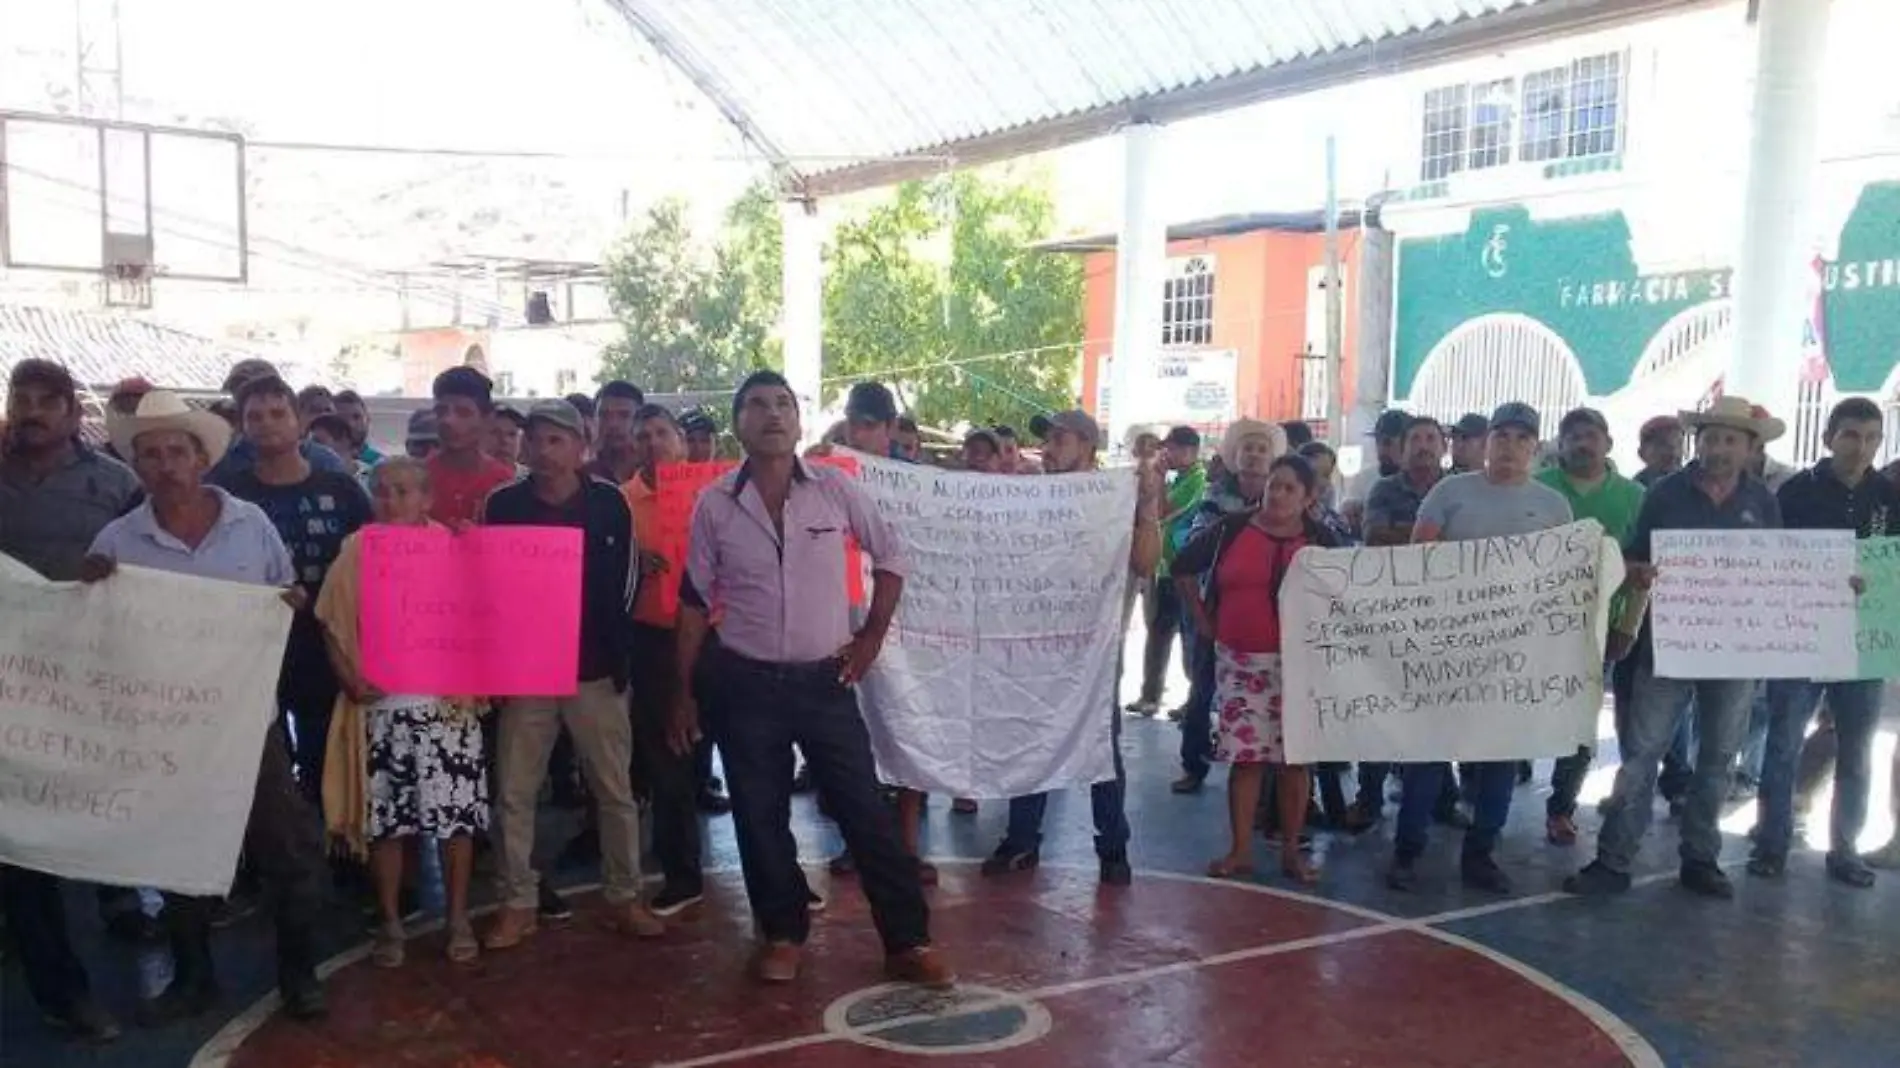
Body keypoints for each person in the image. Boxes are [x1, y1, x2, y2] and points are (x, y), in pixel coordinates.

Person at [668, 370, 953, 988]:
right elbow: (693, 601)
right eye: (756, 405)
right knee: (758, 814)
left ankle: (909, 939)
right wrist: (683, 693)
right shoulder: (714, 503)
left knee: (865, 815)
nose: (772, 414)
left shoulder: (835, 490)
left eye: (783, 405)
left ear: (798, 421)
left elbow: (893, 559)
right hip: (744, 684)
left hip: (825, 683)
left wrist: (872, 636)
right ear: (738, 423)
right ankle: (782, 933)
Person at [85, 390, 329, 1023]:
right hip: (166, 727)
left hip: (250, 722)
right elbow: (96, 630)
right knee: (178, 852)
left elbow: (283, 590)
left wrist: (292, 602)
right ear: (137, 466)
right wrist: (89, 592)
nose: (165, 465)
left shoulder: (251, 524)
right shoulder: (116, 542)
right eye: (151, 455)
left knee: (288, 849)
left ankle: (298, 974)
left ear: (202, 459)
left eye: (177, 452)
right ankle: (195, 977)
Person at [1566, 397, 1787, 900]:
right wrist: (1638, 571)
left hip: (1735, 651)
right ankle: (1613, 860)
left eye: (1730, 440)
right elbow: (1633, 556)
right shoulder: (1664, 493)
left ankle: (1701, 859)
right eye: (1711, 438)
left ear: (1751, 448)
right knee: (1641, 754)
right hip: (1666, 645)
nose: (1719, 448)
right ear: (1698, 442)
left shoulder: (1764, 502)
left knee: (1719, 756)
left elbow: (1777, 571)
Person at [480, 399, 663, 948]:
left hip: (594, 673)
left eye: (557, 440)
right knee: (514, 791)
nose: (544, 450)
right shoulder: (503, 505)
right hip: (527, 673)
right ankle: (517, 902)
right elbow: (487, 588)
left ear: (580, 447)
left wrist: (618, 657)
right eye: (536, 439)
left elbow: (629, 580)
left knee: (614, 790)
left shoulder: (609, 502)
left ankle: (624, 896)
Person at [0, 359, 140, 1042]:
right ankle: (63, 989)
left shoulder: (115, 484)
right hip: (5, 683)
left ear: (69, 411)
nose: (29, 412)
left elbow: (151, 564)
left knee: (87, 818)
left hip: (85, 682)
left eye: (43, 402)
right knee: (19, 841)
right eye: (18, 399)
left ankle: (118, 907)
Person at [1389, 402, 1573, 895]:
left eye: (1521, 438)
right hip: (1446, 650)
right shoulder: (1450, 493)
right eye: (1501, 436)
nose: (1509, 446)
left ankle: (1481, 852)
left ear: (1535, 448)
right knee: (1428, 753)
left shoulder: (1554, 507)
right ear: (1485, 442)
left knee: (1500, 758)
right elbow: (1418, 558)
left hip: (1514, 656)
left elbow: (1561, 580)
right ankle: (1407, 849)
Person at [316, 458, 490, 966]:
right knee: (388, 826)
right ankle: (390, 922)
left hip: (448, 711)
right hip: (382, 709)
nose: (392, 501)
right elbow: (330, 621)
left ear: (427, 499)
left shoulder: (453, 549)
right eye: (383, 491)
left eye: (404, 492)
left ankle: (458, 918)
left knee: (455, 821)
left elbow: (487, 614)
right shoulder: (356, 551)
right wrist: (348, 676)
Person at [983, 409, 1162, 885]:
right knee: (1031, 734)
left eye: (1060, 439)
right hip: (1037, 643)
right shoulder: (1032, 494)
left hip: (1095, 647)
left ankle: (1112, 846)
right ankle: (1023, 839)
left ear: (1087, 446)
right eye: (1048, 440)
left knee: (1099, 742)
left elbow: (1145, 563)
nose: (1049, 447)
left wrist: (1146, 510)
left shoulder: (1112, 499)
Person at [1751, 397, 1899, 889]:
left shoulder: (1889, 495)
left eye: (1871, 437)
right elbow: (1769, 559)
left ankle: (1846, 850)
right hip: (1801, 638)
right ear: (1828, 438)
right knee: (1783, 742)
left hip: (1863, 642)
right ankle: (1771, 845)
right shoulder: (1796, 492)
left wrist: (1874, 581)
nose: (1861, 447)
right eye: (1851, 436)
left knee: (1856, 750)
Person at [1176, 454, 1339, 883]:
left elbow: (1347, 594)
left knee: (1295, 761)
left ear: (1308, 497)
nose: (1278, 494)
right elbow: (1181, 567)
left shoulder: (1323, 541)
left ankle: (1290, 850)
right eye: (1274, 484)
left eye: (1289, 488)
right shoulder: (1230, 530)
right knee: (1245, 760)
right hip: (1241, 661)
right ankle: (1241, 850)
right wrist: (1204, 620)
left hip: (1301, 665)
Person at [215, 375, 374, 799]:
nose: (268, 424)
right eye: (255, 416)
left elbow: (377, 558)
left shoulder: (340, 489)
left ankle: (335, 851)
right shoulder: (228, 494)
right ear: (242, 427)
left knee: (326, 753)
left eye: (278, 413)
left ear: (299, 421)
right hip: (253, 647)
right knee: (264, 760)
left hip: (328, 643)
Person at [621, 405, 715, 917]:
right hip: (654, 640)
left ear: (682, 442)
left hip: (721, 638)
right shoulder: (621, 502)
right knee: (666, 757)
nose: (653, 442)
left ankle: (779, 872)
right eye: (644, 436)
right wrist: (632, 559)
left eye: (662, 433)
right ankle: (682, 875)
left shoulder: (716, 491)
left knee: (749, 756)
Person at [1537, 407, 1645, 846]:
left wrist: (1628, 625)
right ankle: (1492, 800)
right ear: (1560, 445)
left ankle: (1561, 806)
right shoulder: (1537, 489)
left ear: (1608, 443)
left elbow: (1644, 568)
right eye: (1574, 436)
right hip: (1530, 625)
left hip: (1599, 628)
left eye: (1592, 436)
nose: (1583, 443)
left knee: (1581, 721)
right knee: (1511, 709)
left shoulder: (1635, 496)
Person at [1170, 420, 1284, 795]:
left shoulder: (1284, 499)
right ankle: (1194, 764)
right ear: (1234, 457)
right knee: (1202, 692)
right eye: (1246, 448)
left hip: (1270, 619)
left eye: (1261, 448)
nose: (1253, 455)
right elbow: (1193, 551)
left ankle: (1264, 780)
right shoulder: (1213, 497)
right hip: (1218, 610)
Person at [1130, 426, 1205, 717]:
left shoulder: (1196, 480)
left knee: (1188, 638)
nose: (1166, 454)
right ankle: (1150, 695)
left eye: (1171, 449)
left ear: (1189, 451)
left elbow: (1163, 511)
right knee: (1158, 632)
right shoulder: (1178, 478)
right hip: (1164, 567)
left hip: (1184, 570)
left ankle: (1193, 700)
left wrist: (1157, 480)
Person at [207, 359, 347, 482]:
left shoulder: (323, 463)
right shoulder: (221, 467)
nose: (266, 422)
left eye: (277, 413)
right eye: (254, 415)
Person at [427, 368, 517, 527]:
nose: (448, 421)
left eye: (463, 413)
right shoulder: (414, 479)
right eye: (441, 411)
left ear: (488, 419)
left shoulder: (505, 484)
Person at [1341, 408, 1408, 532]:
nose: (1381, 449)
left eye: (1388, 443)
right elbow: (1348, 512)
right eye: (1378, 442)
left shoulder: (1421, 479)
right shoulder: (1364, 478)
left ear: (1407, 443)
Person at [589, 380, 646, 484]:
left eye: (624, 415)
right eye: (604, 415)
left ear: (641, 420)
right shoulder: (583, 475)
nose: (613, 424)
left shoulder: (659, 468)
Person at [306, 413, 369, 482]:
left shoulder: (372, 477)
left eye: (319, 442)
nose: (313, 448)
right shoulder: (309, 481)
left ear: (343, 439)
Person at [332, 389, 384, 467]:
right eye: (342, 418)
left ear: (368, 419)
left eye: (356, 417)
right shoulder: (321, 461)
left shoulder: (383, 464)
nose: (350, 424)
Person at [1635, 415, 1685, 488]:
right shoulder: (1633, 492)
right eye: (1662, 444)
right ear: (1642, 453)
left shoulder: (1696, 486)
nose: (1674, 453)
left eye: (1679, 444)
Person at [486, 405, 527, 469]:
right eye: (495, 433)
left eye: (512, 434)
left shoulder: (534, 477)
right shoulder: (466, 476)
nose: (505, 440)